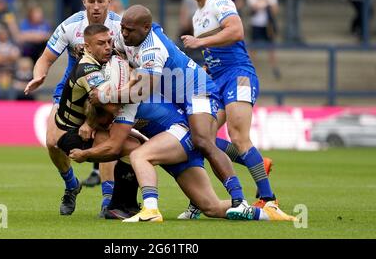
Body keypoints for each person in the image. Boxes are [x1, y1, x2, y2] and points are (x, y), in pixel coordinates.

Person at [90, 4, 253, 218]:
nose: (124, 33)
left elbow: (140, 91)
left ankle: (239, 198)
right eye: (123, 28)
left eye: (130, 29)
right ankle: (257, 210)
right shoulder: (127, 37)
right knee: (195, 146)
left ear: (146, 28)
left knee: (203, 141)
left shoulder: (153, 49)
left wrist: (104, 96)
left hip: (198, 91)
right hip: (176, 101)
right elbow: (114, 52)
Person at [70, 76, 296, 222]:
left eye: (105, 120)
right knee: (211, 207)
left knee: (141, 155)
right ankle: (266, 213)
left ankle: (150, 210)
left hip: (182, 133)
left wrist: (84, 154)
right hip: (174, 143)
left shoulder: (125, 102)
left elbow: (114, 147)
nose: (108, 124)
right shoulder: (119, 104)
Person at [181, 0, 279, 214]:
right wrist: (204, 68)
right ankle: (255, 162)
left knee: (238, 136)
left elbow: (236, 31)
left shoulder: (220, 2)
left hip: (238, 75)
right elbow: (213, 49)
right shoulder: (197, 15)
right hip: (217, 79)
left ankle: (268, 199)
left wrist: (198, 42)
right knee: (203, 139)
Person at [24, 0, 123, 216]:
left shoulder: (120, 27)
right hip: (71, 93)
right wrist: (39, 76)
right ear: (84, 2)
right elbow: (45, 59)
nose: (96, 6)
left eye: (101, 1)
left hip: (105, 93)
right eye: (91, 1)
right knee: (51, 142)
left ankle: (108, 200)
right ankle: (71, 185)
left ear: (109, 1)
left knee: (106, 143)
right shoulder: (70, 26)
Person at [52, 23, 140, 219]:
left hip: (87, 127)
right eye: (101, 44)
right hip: (72, 134)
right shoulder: (87, 69)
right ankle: (115, 206)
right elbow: (112, 106)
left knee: (137, 146)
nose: (108, 47)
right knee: (132, 149)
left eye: (109, 42)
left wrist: (91, 122)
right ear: (88, 47)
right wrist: (136, 82)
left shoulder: (102, 61)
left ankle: (127, 205)